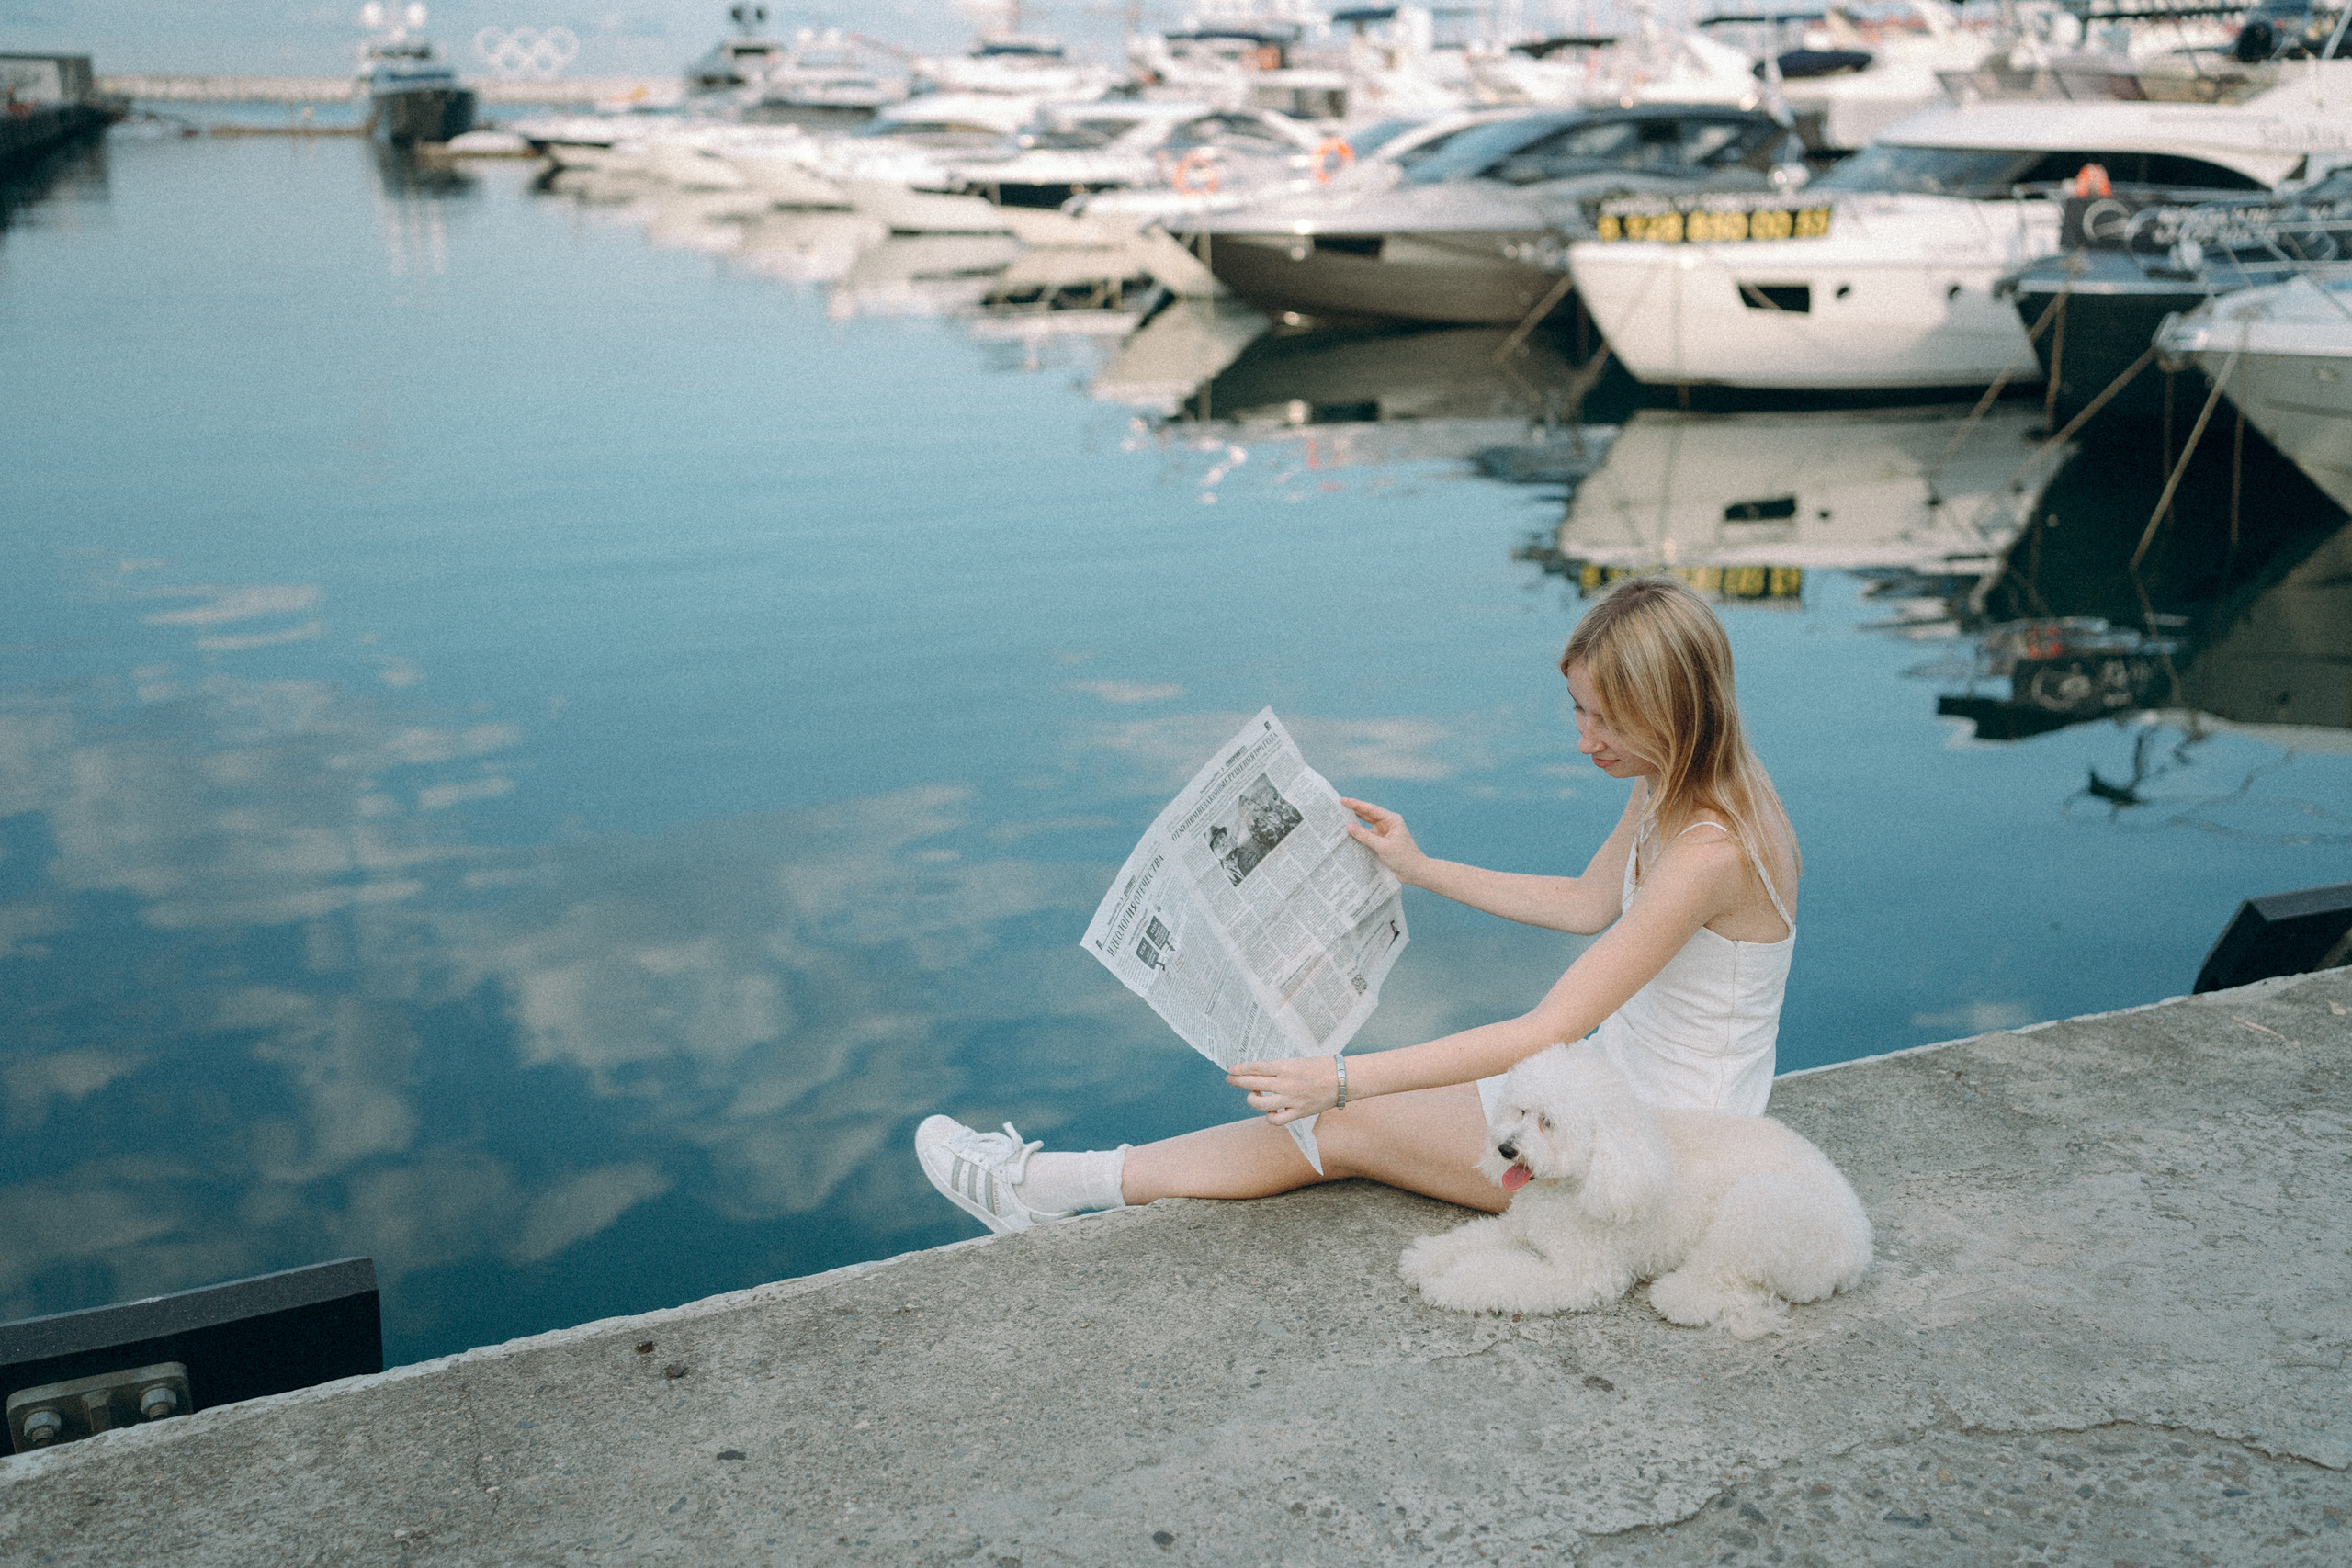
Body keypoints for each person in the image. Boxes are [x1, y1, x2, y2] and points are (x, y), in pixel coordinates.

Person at [914, 574, 1802, 1231]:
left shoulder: (1713, 849)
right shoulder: (1678, 780)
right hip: (1609, 1098)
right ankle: (1052, 1185)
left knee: (1337, 1125)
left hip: (1664, 1165)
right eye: (1578, 711)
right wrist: (1418, 865)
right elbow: (1584, 901)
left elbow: (1544, 1028)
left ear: (1668, 709)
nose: (1583, 740)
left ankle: (1041, 1190)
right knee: (1353, 1112)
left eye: (1603, 719)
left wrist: (1336, 1076)